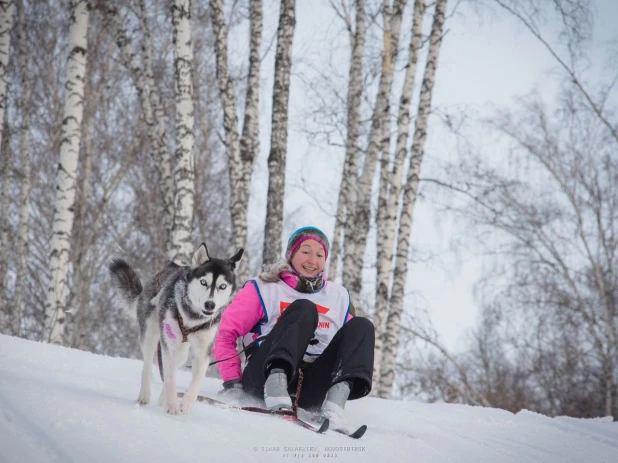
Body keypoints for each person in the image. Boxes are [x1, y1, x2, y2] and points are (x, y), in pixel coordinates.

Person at [212, 226, 375, 428]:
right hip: (262, 378)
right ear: (291, 254)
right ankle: (276, 384)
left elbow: (351, 346)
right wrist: (232, 383)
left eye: (319, 254)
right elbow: (226, 334)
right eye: (305, 252)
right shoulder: (264, 288)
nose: (312, 260)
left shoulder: (339, 297)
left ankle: (334, 405)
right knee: (305, 308)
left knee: (363, 326)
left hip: (309, 389)